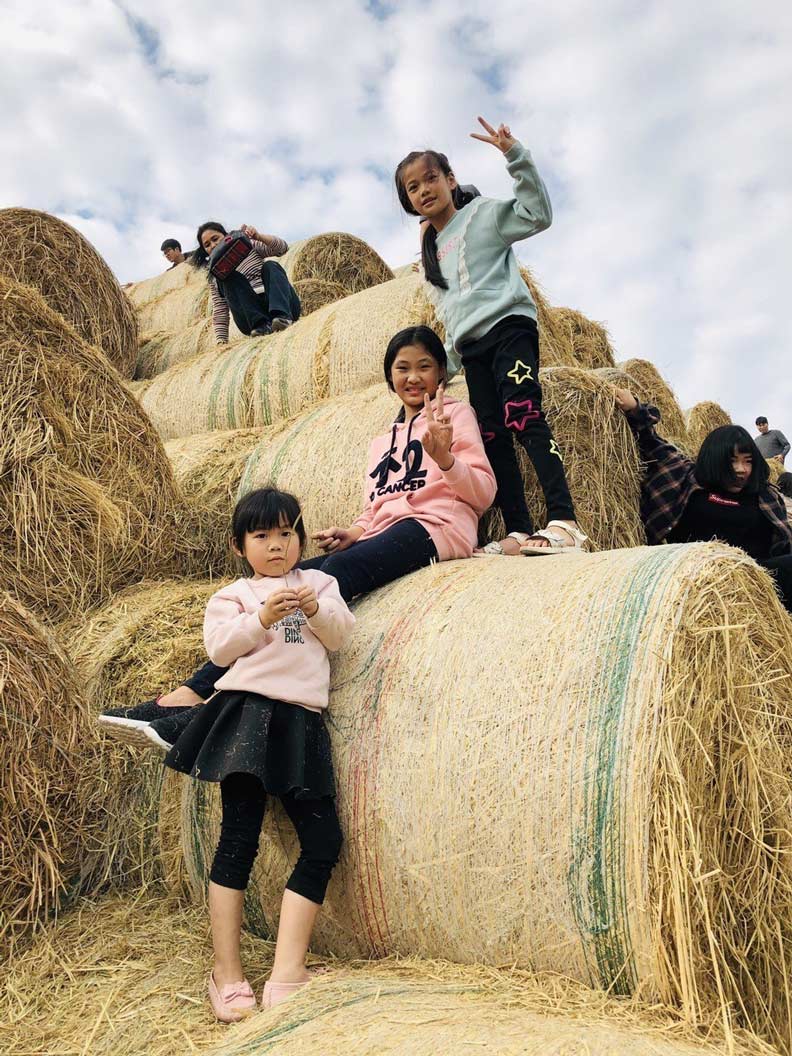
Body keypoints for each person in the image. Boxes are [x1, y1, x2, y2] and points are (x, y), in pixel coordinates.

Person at [99, 324, 496, 741]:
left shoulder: (455, 416)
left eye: (424, 367)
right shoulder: (383, 441)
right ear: (389, 376)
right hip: (386, 533)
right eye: (402, 368)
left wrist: (445, 458)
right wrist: (355, 530)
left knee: (326, 578)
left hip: (434, 528)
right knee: (288, 578)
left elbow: (483, 494)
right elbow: (376, 505)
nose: (413, 377)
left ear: (441, 374)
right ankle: (193, 692)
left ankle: (202, 705)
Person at [167, 486, 354, 1020]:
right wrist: (262, 619)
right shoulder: (233, 596)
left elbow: (339, 637)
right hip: (247, 716)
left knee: (322, 839)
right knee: (238, 840)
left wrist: (315, 608)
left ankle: (286, 973)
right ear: (238, 546)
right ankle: (226, 975)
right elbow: (220, 650)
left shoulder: (320, 582)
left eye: (287, 534)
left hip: (300, 720)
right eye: (262, 536)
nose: (277, 546)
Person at [394, 117, 587, 557]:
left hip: (509, 329)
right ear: (409, 200)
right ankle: (519, 529)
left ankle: (566, 521)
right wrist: (441, 369)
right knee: (491, 435)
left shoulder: (482, 215)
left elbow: (538, 214)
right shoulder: (429, 260)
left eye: (431, 178)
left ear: (450, 180)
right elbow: (450, 315)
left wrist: (514, 156)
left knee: (524, 416)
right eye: (413, 188)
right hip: (472, 348)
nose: (424, 190)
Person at [615, 389, 792, 612]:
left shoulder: (764, 496)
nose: (741, 469)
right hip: (693, 575)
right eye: (732, 461)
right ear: (714, 459)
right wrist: (635, 409)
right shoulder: (689, 479)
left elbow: (783, 548)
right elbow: (654, 443)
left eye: (748, 461)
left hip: (755, 579)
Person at [191, 221, 301, 344]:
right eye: (207, 245)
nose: (212, 245)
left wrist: (258, 237)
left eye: (215, 239)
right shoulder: (216, 276)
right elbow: (220, 309)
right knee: (229, 278)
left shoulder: (249, 245)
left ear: (226, 235)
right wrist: (221, 341)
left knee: (270, 265)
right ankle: (261, 325)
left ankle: (282, 318)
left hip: (285, 307)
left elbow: (282, 248)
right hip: (250, 320)